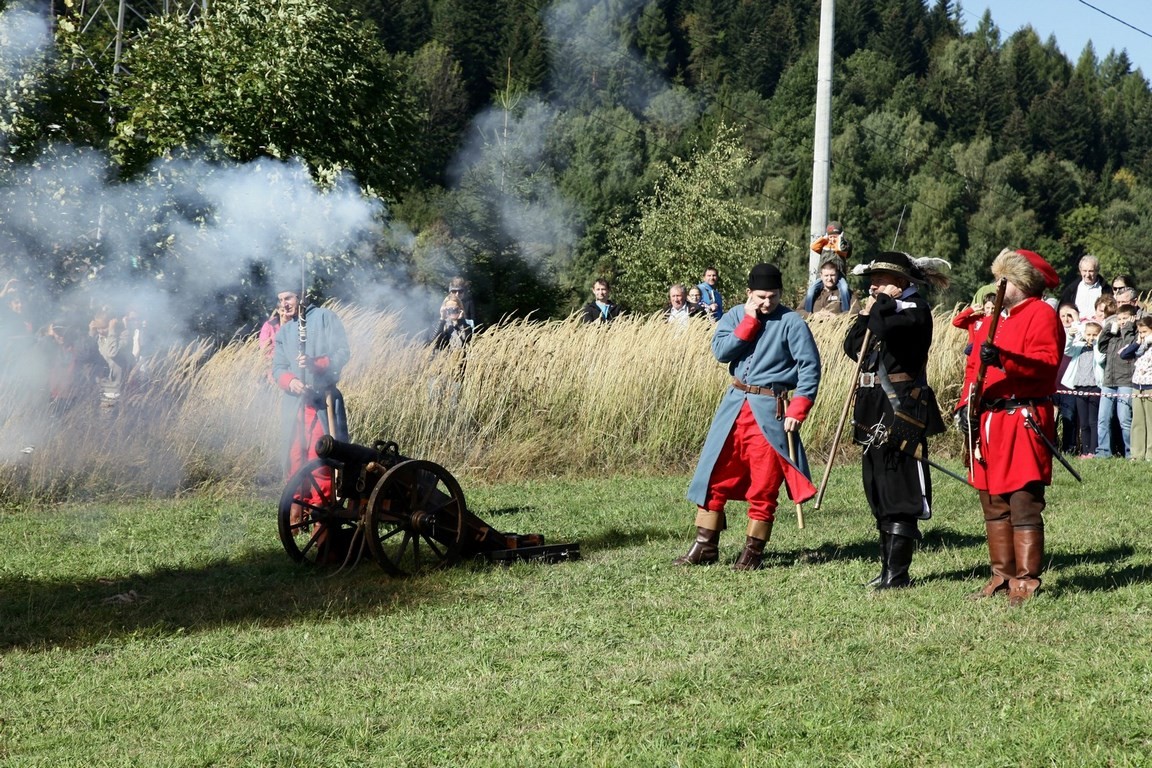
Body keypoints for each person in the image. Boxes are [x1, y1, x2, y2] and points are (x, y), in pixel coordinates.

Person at [677, 263, 821, 571]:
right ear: (749, 293)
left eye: (773, 296)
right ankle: (705, 545)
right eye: (761, 297)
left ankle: (753, 552)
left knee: (764, 484)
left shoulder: (792, 322)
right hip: (732, 409)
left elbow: (809, 368)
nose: (767, 302)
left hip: (769, 412)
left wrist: (798, 409)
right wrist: (749, 322)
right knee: (714, 475)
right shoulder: (734, 316)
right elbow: (721, 352)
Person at [958, 248, 1064, 607]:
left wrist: (1005, 359)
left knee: (1023, 501)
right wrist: (964, 407)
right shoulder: (991, 320)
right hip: (989, 421)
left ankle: (1025, 580)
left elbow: (1045, 364)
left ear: (1021, 282)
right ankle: (1001, 576)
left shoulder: (1041, 314)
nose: (997, 286)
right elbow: (973, 370)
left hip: (1023, 419)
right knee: (993, 503)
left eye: (1004, 279)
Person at [844, 252, 950, 590]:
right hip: (873, 406)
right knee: (878, 486)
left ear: (901, 283)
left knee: (899, 488)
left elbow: (883, 327)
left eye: (880, 280)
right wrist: (867, 313)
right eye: (872, 281)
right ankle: (886, 569)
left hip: (901, 406)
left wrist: (879, 307)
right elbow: (853, 346)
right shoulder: (885, 308)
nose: (873, 287)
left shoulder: (915, 311)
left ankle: (897, 574)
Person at [272, 289, 351, 480]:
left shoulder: (325, 317)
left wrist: (315, 363)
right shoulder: (284, 332)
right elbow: (278, 368)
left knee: (322, 459)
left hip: (323, 402)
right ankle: (297, 500)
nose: (284, 304)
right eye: (281, 300)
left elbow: (342, 352)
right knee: (295, 461)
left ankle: (322, 500)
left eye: (288, 298)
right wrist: (291, 381)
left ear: (301, 296)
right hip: (295, 405)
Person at [1096, 303, 1137, 457]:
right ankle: (1103, 451)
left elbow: (1128, 349)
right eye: (1119, 319)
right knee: (1103, 419)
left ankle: (1130, 452)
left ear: (1132, 318)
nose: (1121, 322)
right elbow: (1101, 347)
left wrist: (1128, 328)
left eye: (1125, 318)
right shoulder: (1113, 335)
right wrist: (1107, 329)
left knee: (1125, 419)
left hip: (1125, 381)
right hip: (1109, 382)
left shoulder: (1134, 335)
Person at [1061, 320, 1104, 457]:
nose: (1091, 337)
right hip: (1079, 386)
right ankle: (1085, 451)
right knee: (1083, 422)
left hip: (1094, 387)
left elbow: (1100, 359)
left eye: (1094, 335)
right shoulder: (1079, 346)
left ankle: (1093, 450)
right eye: (1088, 334)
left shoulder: (1100, 348)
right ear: (1084, 334)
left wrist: (1097, 343)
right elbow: (1067, 350)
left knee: (1093, 421)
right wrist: (1070, 336)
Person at [1121, 317, 1152, 461]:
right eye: (1140, 332)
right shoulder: (1141, 346)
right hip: (1137, 387)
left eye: (1145, 332)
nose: (1142, 335)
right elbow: (1124, 355)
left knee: (1150, 422)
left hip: (1150, 387)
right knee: (1137, 421)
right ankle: (1137, 454)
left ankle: (1150, 455)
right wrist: (1139, 342)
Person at [1059, 255, 1110, 320]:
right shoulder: (1071, 290)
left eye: (1091, 271)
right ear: (1080, 271)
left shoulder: (1106, 290)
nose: (1087, 275)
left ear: (1097, 271)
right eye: (1085, 271)